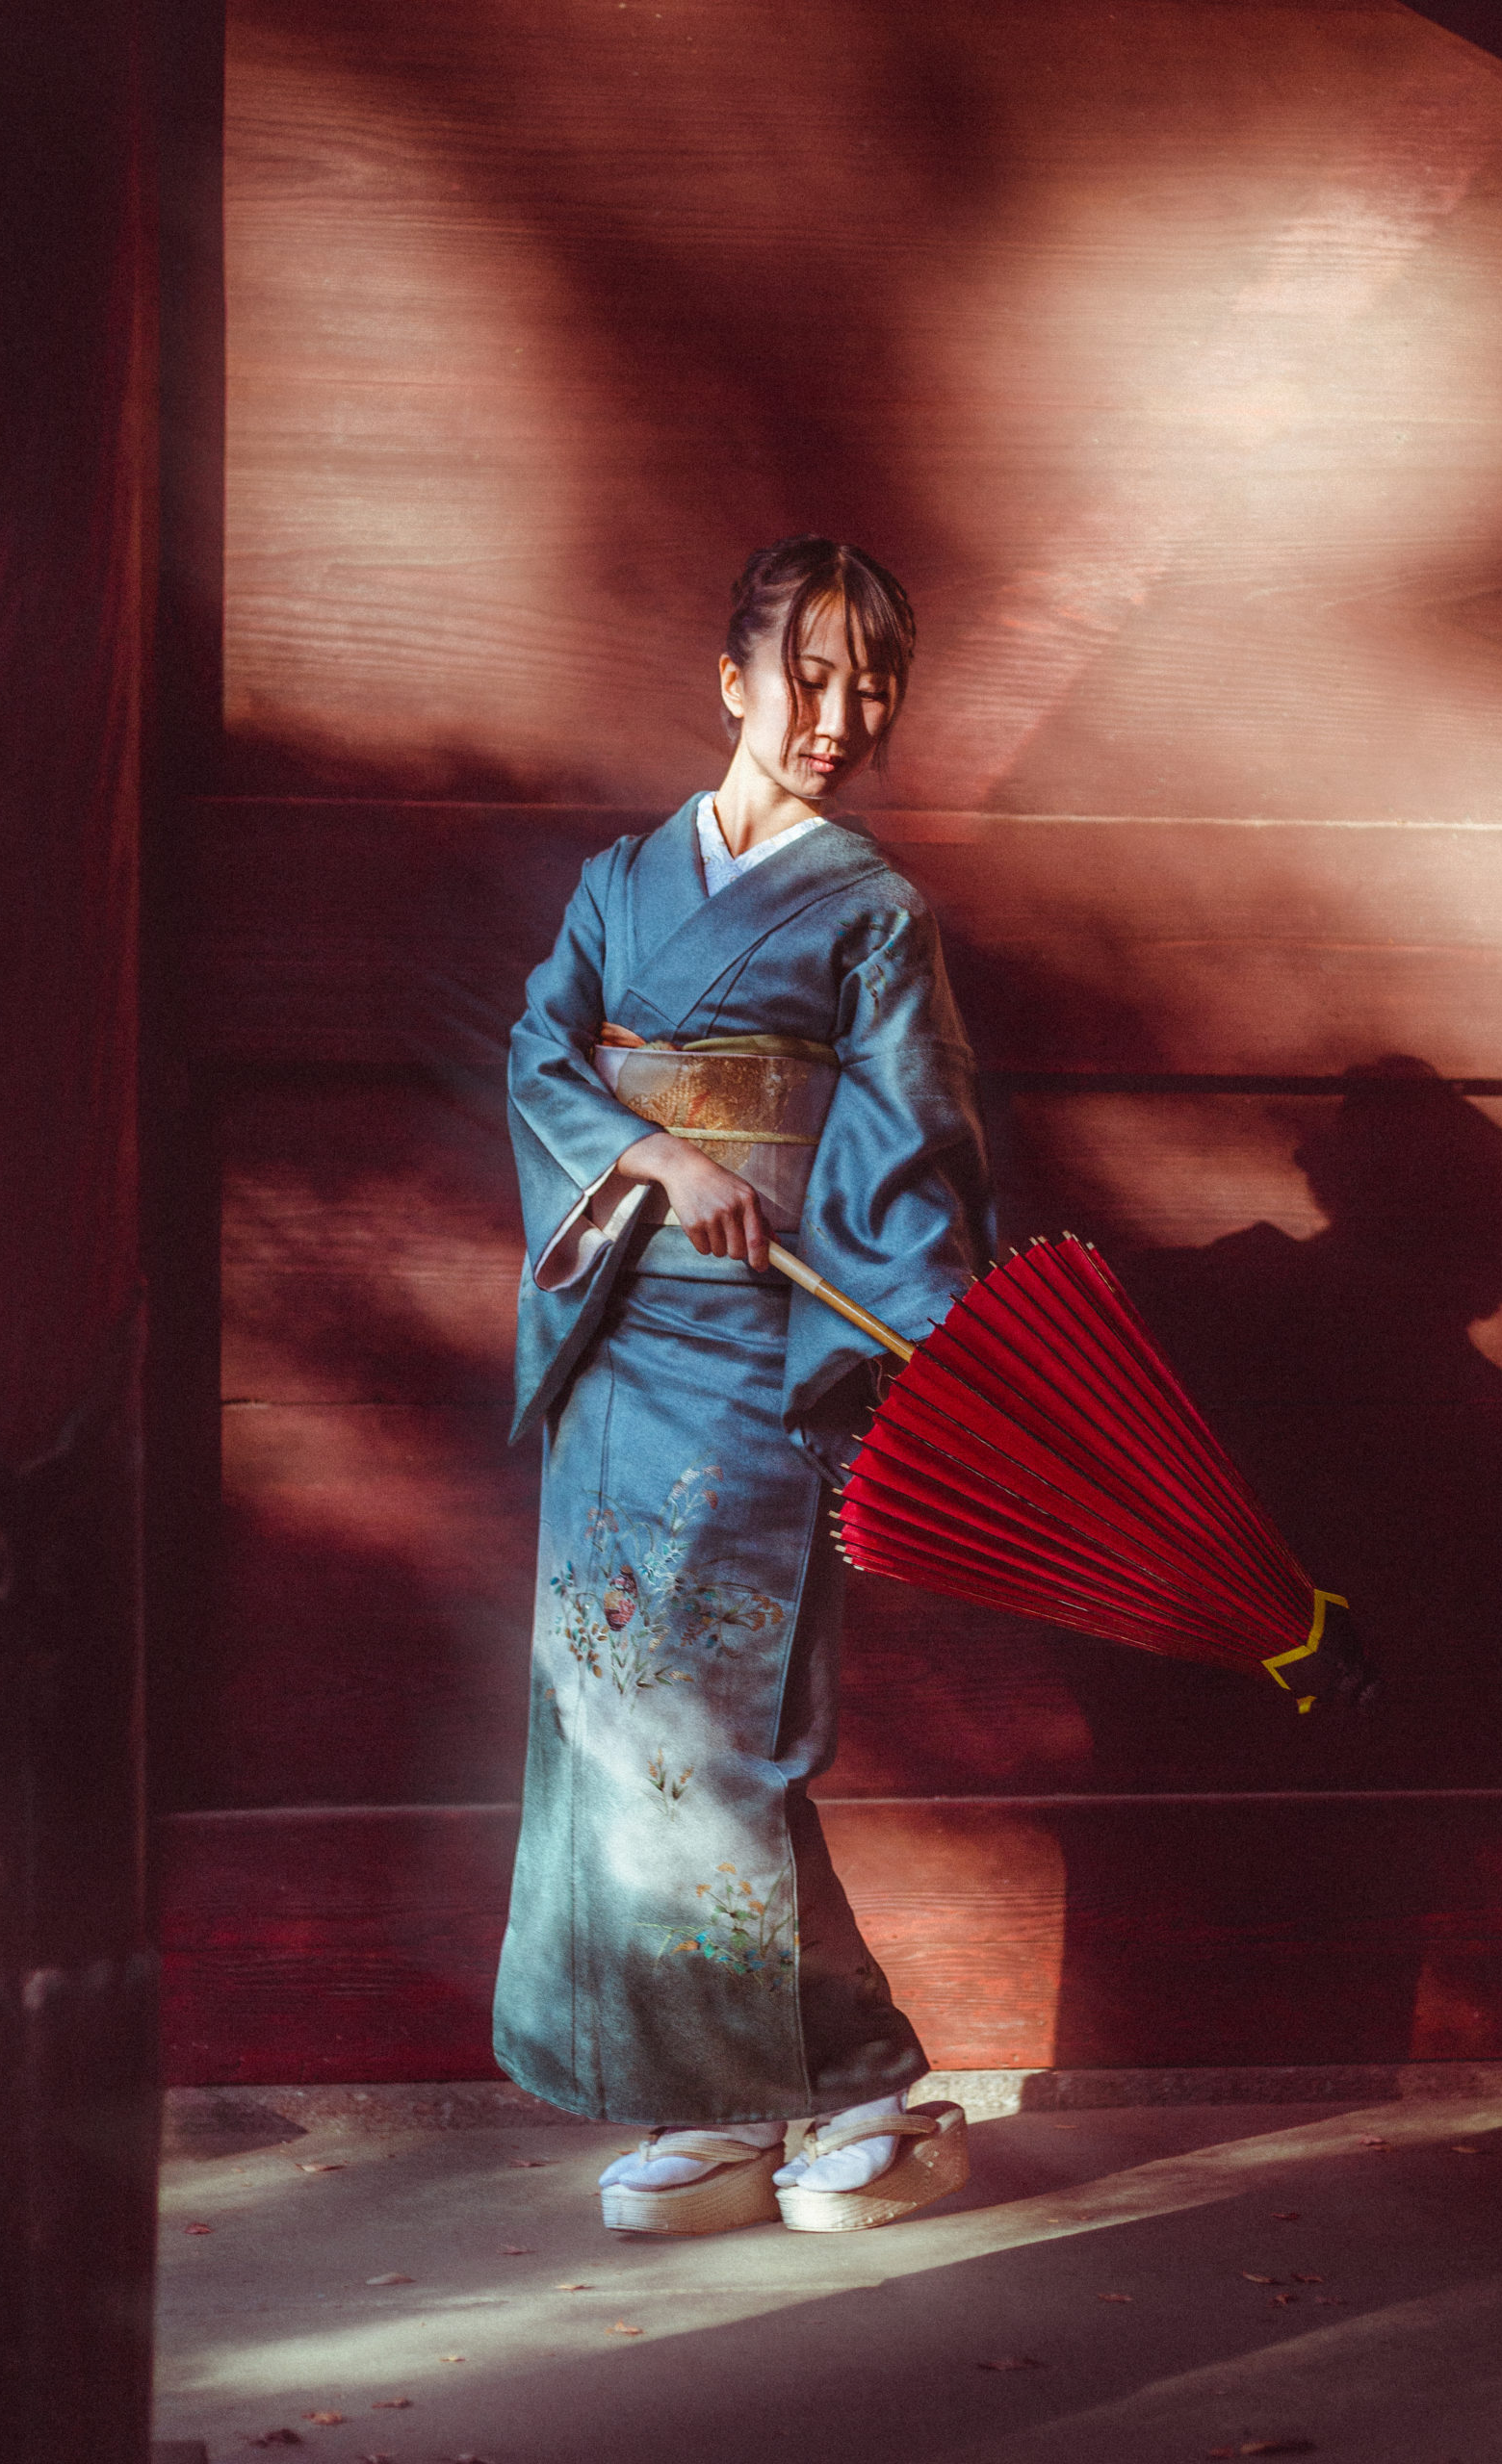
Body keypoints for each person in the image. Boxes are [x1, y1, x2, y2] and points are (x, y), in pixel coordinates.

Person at [493, 538, 994, 2234]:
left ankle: (862, 2085)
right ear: (732, 678)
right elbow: (539, 1054)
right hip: (614, 1344)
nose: (841, 715)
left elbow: (915, 1146)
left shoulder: (870, 909)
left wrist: (883, 1338)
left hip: (759, 1363)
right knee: (608, 1721)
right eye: (811, 673)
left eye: (875, 686)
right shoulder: (620, 884)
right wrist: (648, 1152)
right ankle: (705, 2099)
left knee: (717, 1736)